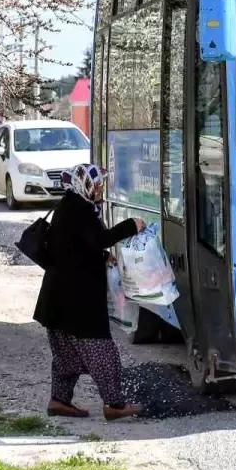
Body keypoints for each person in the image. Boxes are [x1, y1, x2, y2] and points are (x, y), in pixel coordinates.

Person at [33, 163, 146, 420]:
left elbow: (75, 246)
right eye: (97, 184)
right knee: (102, 351)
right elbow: (97, 239)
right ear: (85, 183)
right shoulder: (80, 208)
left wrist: (103, 256)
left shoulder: (69, 204)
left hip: (57, 299)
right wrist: (131, 225)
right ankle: (114, 405)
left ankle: (59, 401)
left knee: (66, 356)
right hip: (77, 302)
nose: (99, 189)